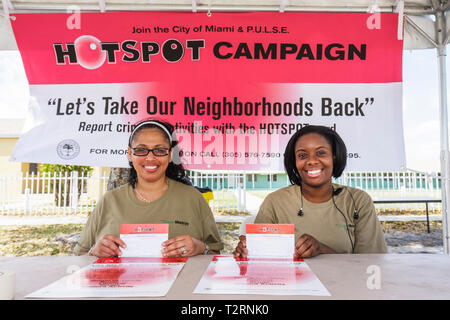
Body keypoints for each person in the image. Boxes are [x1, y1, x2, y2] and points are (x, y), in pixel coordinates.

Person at [74, 119, 223, 257]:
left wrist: (201, 248)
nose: (150, 158)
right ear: (130, 154)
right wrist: (94, 252)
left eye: (159, 150)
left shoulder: (193, 198)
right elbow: (80, 257)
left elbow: (216, 256)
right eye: (141, 150)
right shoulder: (110, 201)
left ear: (170, 154)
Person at [234, 125, 387, 258]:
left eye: (321, 153)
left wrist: (322, 250)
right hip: (289, 289)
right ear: (294, 161)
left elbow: (372, 264)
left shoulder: (358, 201)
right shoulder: (275, 202)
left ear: (334, 157)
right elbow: (261, 261)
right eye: (302, 155)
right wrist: (247, 251)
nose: (312, 161)